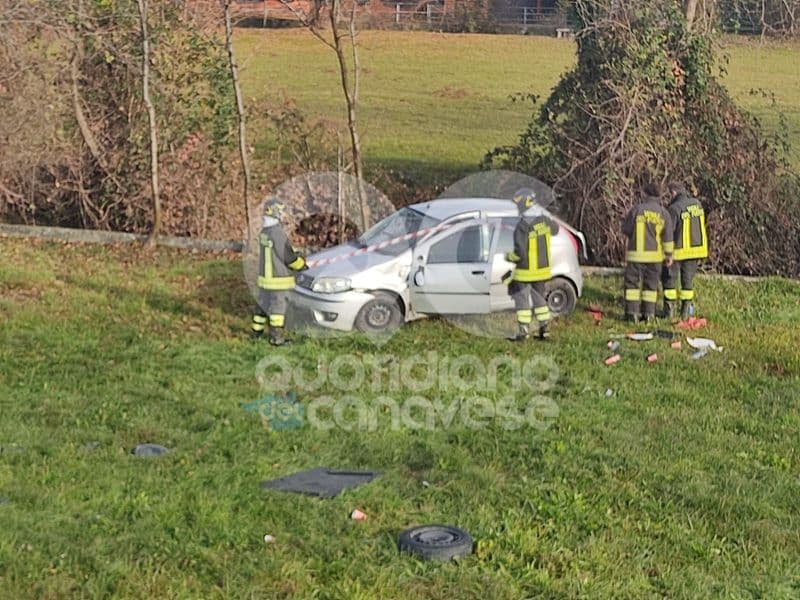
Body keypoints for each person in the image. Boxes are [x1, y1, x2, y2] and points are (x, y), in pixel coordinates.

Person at [505, 187, 560, 341]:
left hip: (525, 272)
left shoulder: (522, 226)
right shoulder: (544, 220)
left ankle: (523, 333)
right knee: (540, 301)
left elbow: (520, 253)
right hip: (542, 271)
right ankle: (545, 330)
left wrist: (509, 256)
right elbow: (556, 230)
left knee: (522, 301)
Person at [250, 199, 307, 346]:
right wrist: (301, 264)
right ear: (276, 212)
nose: (283, 215)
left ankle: (256, 333)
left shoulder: (265, 231)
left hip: (264, 279)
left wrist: (294, 251)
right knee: (277, 309)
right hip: (277, 280)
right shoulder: (277, 233)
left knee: (262, 306)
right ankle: (276, 338)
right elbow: (287, 257)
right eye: (281, 212)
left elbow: (277, 251)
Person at [621, 182, 674, 323]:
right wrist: (668, 256)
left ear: (645, 194)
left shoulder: (636, 210)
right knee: (650, 287)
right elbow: (668, 238)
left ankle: (632, 314)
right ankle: (649, 314)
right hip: (655, 258)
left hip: (635, 256)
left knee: (632, 285)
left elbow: (626, 230)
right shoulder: (663, 213)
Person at [661, 182, 709, 319]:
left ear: (674, 193)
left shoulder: (674, 209)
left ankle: (669, 312)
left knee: (669, 280)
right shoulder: (697, 204)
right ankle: (685, 312)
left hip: (678, 252)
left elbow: (668, 233)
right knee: (687, 282)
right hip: (696, 251)